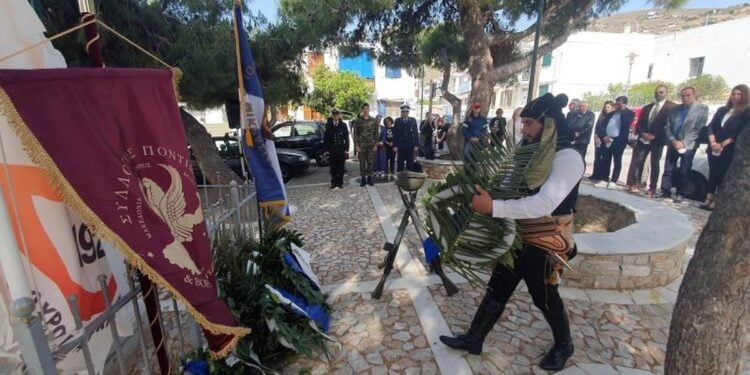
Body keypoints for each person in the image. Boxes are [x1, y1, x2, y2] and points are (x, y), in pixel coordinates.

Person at [440, 93, 583, 372]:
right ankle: (474, 338)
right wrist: (484, 193)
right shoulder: (529, 151)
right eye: (523, 123)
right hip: (517, 235)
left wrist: (493, 207)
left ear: (547, 123)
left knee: (544, 296)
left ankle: (564, 345)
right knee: (498, 286)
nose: (523, 129)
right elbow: (508, 185)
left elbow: (545, 203)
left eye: (529, 123)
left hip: (546, 239)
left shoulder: (568, 157)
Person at [701, 84, 749, 210]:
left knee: (722, 174)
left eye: (739, 94)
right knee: (713, 173)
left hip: (728, 148)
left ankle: (717, 200)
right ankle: (708, 196)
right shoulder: (722, 110)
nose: (735, 97)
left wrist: (723, 144)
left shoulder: (745, 113)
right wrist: (712, 142)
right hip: (714, 146)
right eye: (733, 94)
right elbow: (711, 126)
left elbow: (740, 132)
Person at [660, 87, 709, 202]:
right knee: (669, 168)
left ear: (694, 95)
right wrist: (673, 140)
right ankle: (665, 190)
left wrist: (684, 142)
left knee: (684, 170)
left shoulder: (702, 108)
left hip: (689, 145)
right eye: (683, 96)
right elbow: (667, 127)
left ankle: (681, 193)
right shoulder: (675, 110)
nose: (685, 98)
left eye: (688, 95)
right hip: (673, 143)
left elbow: (698, 128)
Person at [625, 85, 675, 196]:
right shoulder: (648, 107)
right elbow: (639, 123)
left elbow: (669, 125)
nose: (658, 94)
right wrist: (643, 133)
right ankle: (635, 183)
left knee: (654, 163)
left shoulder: (671, 107)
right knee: (639, 161)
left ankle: (652, 187)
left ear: (666, 93)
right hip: (643, 139)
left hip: (658, 140)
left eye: (661, 92)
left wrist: (655, 135)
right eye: (656, 92)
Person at [594, 96, 635, 189]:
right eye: (616, 104)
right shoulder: (610, 114)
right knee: (605, 160)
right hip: (607, 140)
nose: (617, 106)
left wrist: (623, 110)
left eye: (619, 104)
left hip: (619, 141)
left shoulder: (629, 113)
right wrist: (604, 136)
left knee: (617, 160)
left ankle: (613, 180)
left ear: (624, 104)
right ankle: (604, 179)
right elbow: (602, 126)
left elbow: (626, 122)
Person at [351, 103, 380, 186]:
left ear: (369, 110)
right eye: (364, 108)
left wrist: (375, 145)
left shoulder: (374, 120)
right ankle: (363, 179)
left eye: (367, 108)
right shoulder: (358, 121)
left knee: (370, 162)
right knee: (362, 163)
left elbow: (376, 134)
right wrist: (356, 146)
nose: (366, 110)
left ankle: (369, 178)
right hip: (362, 145)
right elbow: (355, 134)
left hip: (371, 145)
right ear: (362, 110)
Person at [322, 108, 349, 189]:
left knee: (341, 167)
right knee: (333, 167)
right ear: (332, 115)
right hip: (332, 149)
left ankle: (340, 182)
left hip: (341, 149)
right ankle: (334, 182)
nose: (335, 116)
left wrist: (346, 149)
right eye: (334, 115)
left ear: (339, 115)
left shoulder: (343, 125)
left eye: (337, 115)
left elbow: (346, 138)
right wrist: (326, 150)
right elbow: (326, 138)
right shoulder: (328, 125)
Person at [589, 101, 615, 181]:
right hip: (599, 138)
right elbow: (598, 127)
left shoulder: (613, 116)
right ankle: (595, 174)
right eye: (605, 107)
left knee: (605, 159)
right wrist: (596, 136)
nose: (606, 109)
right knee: (597, 157)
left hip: (607, 140)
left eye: (608, 107)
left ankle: (603, 176)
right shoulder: (601, 116)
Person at [393, 104, 419, 171]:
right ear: (401, 112)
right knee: (400, 163)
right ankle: (400, 178)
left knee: (410, 162)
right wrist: (395, 145)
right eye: (403, 112)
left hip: (410, 145)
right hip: (400, 145)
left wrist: (416, 145)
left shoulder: (413, 120)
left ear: (408, 112)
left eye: (406, 112)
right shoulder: (397, 121)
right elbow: (395, 134)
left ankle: (408, 179)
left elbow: (416, 133)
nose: (405, 113)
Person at [462, 102, 488, 168]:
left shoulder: (483, 119)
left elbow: (485, 131)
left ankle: (474, 174)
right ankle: (466, 174)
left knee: (476, 159)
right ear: (473, 108)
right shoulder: (468, 118)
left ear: (480, 109)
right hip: (469, 142)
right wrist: (470, 138)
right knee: (467, 157)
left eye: (478, 107)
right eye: (475, 107)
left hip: (479, 142)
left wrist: (479, 138)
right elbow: (464, 130)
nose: (476, 109)